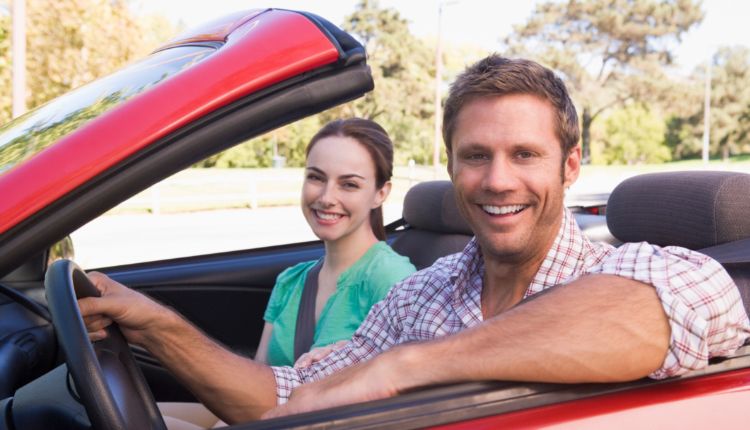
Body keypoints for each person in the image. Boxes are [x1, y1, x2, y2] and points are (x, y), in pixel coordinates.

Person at [80, 55, 750, 425]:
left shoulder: (629, 271)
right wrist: (157, 328)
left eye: (524, 154)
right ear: (451, 165)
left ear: (569, 167)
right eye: (475, 156)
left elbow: (693, 301)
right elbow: (287, 396)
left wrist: (406, 366)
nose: (497, 180)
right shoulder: (420, 296)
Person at [255, 118, 415, 368]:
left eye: (349, 184)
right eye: (316, 178)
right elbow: (255, 381)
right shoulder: (289, 282)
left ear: (380, 194)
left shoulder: (392, 280)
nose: (327, 197)